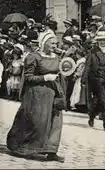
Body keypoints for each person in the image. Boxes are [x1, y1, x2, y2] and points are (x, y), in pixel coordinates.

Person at [6, 31, 66, 163]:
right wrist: (44, 77)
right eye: (52, 43)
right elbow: (28, 77)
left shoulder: (57, 57)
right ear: (44, 43)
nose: (54, 45)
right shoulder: (33, 57)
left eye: (56, 43)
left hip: (53, 92)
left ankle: (51, 151)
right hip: (37, 94)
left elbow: (60, 72)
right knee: (37, 122)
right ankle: (27, 148)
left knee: (55, 122)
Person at [81, 29, 105, 132]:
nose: (102, 42)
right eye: (100, 40)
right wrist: (83, 79)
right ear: (98, 41)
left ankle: (92, 115)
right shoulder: (92, 52)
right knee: (103, 100)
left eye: (104, 40)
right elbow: (87, 66)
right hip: (96, 79)